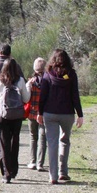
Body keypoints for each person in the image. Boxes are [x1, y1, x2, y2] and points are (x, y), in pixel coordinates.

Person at [35, 49, 83, 184]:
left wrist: (39, 112)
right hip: (67, 113)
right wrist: (80, 114)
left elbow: (42, 96)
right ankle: (63, 172)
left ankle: (53, 176)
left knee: (52, 144)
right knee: (65, 141)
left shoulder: (47, 75)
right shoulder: (72, 74)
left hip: (50, 113)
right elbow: (75, 95)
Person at [0, 58, 30, 183]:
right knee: (14, 142)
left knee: (3, 144)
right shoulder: (20, 81)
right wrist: (28, 87)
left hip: (2, 115)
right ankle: (13, 170)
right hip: (16, 116)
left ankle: (6, 174)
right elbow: (26, 99)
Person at [25, 57, 47, 171]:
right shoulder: (48, 81)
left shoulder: (31, 82)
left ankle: (32, 161)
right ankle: (40, 163)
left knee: (33, 137)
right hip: (44, 114)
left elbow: (26, 98)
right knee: (43, 139)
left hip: (32, 114)